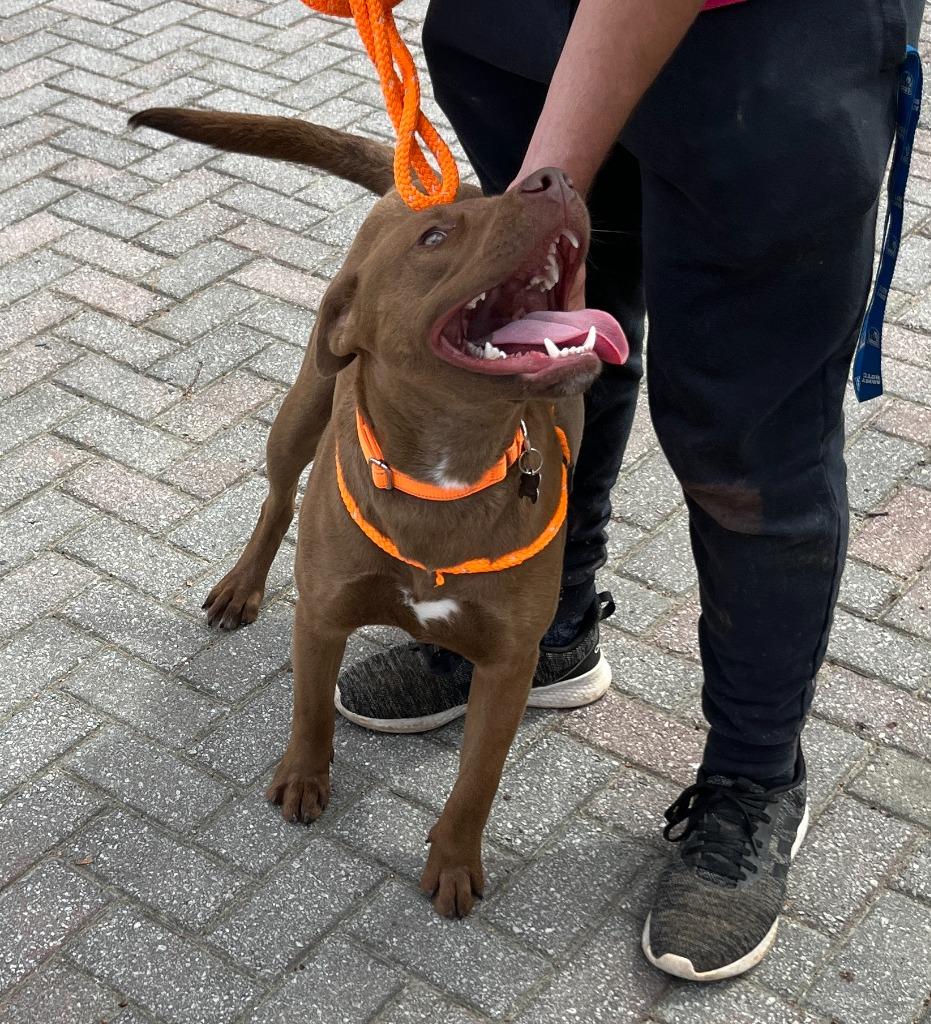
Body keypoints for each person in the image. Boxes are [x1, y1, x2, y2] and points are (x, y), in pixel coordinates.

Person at [336, 0, 925, 981]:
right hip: (520, 27)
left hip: (763, 45)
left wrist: (542, 195)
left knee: (743, 434)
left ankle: (754, 772)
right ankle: (547, 627)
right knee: (545, 349)